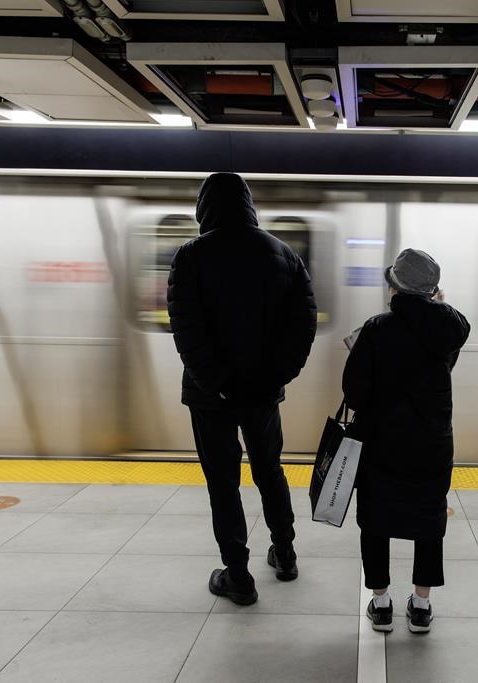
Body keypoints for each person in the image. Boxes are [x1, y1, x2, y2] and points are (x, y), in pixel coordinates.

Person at [167, 173, 317, 606]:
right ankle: (285, 553)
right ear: (249, 204)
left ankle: (238, 575)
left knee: (223, 483)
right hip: (263, 392)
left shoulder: (191, 256)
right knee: (269, 470)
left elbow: (186, 327)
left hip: (209, 396)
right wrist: (277, 376)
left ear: (203, 208)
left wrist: (217, 383)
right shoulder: (283, 254)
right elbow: (302, 324)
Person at [343, 249, 470, 634]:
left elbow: (353, 391)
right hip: (431, 442)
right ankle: (421, 606)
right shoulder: (451, 327)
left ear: (394, 286)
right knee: (429, 520)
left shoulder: (376, 328)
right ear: (433, 290)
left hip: (382, 442)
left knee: (376, 520)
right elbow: (440, 361)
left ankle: (380, 604)